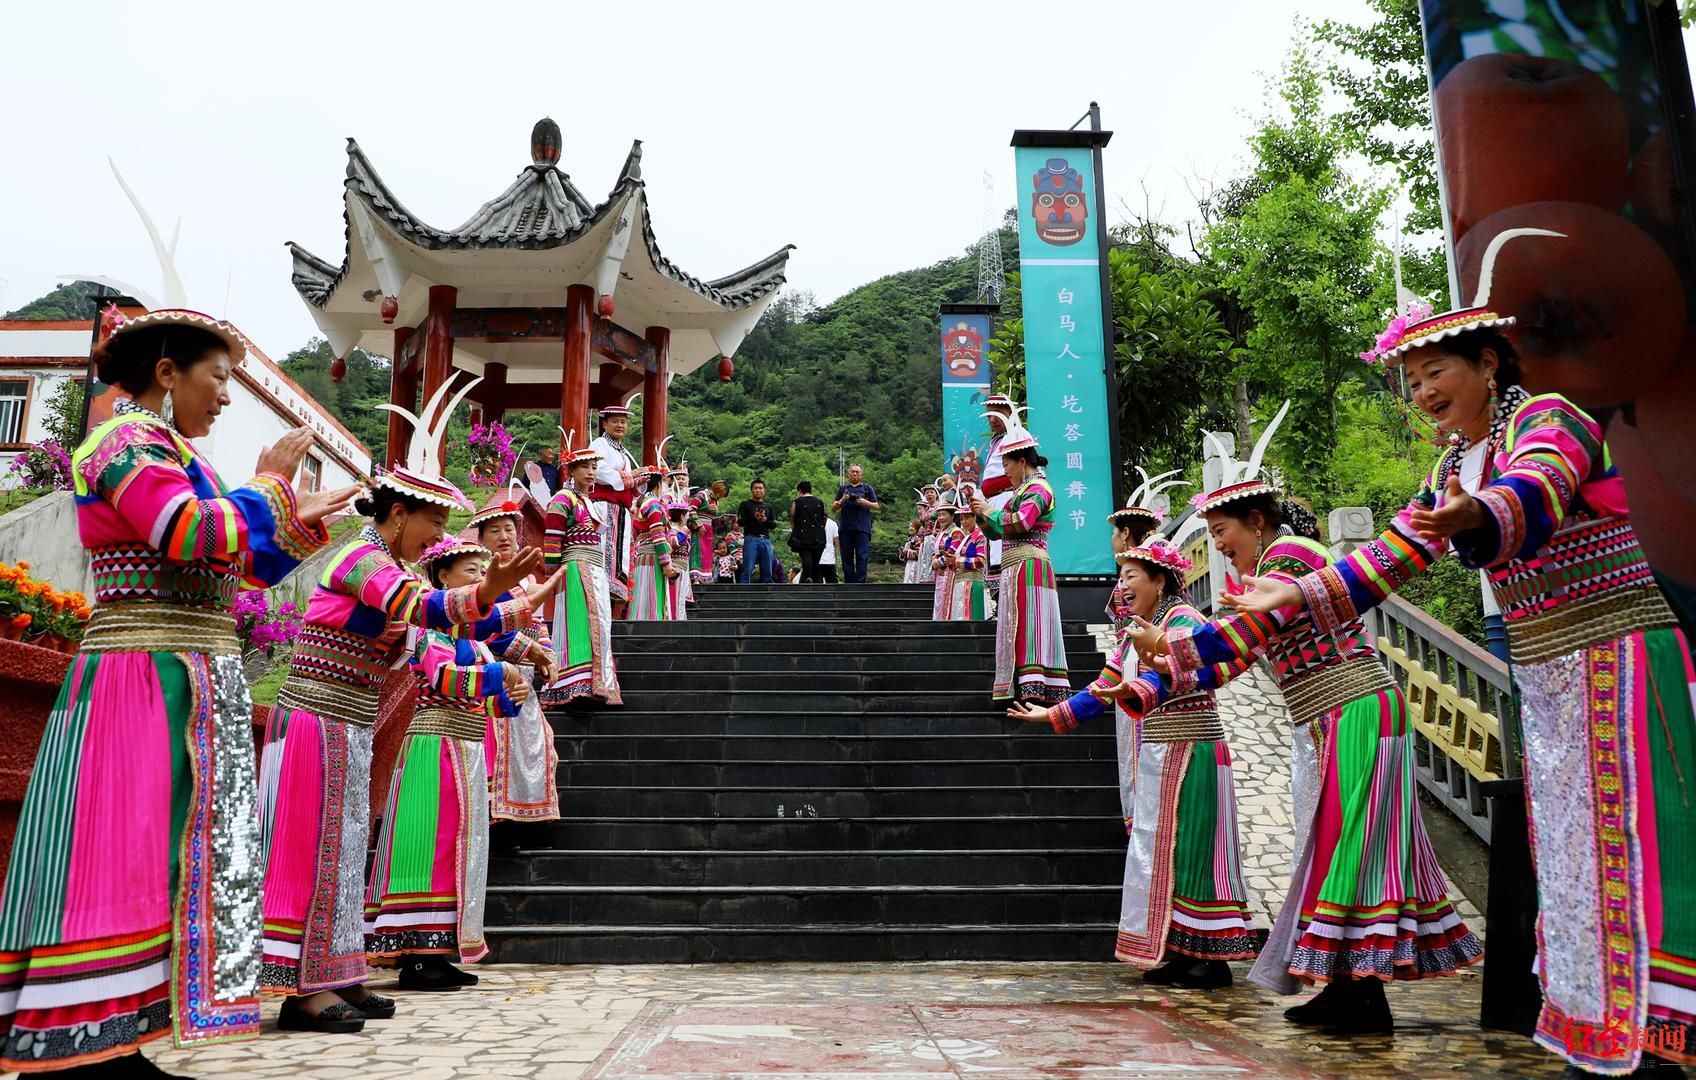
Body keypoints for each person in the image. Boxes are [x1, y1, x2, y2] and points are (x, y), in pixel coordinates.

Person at [1215, 258, 1696, 1075]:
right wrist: (1288, 601)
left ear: (1488, 363)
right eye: (1410, 380)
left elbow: (1538, 485)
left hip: (1617, 653)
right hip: (1550, 682)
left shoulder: (1552, 418)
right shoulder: (1446, 473)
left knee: (1642, 841)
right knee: (1574, 855)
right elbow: (1381, 562)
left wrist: (1486, 510)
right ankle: (1604, 1030)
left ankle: (1657, 1031)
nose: (1423, 391)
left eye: (1435, 369)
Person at [0, 310, 357, 1076]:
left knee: (164, 858)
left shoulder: (170, 453)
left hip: (186, 668)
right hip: (144, 672)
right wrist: (269, 486)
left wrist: (296, 521)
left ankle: (119, 1036)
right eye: (220, 376)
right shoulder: (122, 441)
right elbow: (187, 533)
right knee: (121, 849)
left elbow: (234, 569)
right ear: (167, 374)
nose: (226, 395)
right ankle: (82, 1044)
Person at [1118, 400, 1482, 1036]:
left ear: (1256, 522)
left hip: (1354, 708)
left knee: (1352, 847)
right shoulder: (1271, 571)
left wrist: (1169, 650)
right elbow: (1233, 660)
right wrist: (1160, 674)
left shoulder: (1290, 556)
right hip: (1328, 716)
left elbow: (1247, 632)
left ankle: (1361, 993)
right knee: (1335, 846)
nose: (1222, 550)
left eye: (1224, 535)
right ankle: (1349, 988)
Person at [256, 384, 554, 1035]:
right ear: (398, 516)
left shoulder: (390, 569)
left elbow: (429, 655)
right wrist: (497, 599)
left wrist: (503, 632)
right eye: (435, 526)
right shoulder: (364, 561)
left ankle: (337, 972)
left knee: (344, 846)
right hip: (316, 720)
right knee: (317, 849)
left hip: (347, 727)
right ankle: (303, 989)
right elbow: (425, 617)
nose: (438, 538)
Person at [1011, 540, 1260, 987]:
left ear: (1160, 581)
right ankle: (1184, 953)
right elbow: (1106, 683)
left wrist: (1143, 687)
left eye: (1131, 576)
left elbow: (1222, 666)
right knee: (1167, 851)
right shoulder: (1137, 633)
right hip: (1162, 749)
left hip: (1193, 746)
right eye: (1120, 577)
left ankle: (1211, 958)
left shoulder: (1183, 620)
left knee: (1194, 849)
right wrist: (1052, 713)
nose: (1121, 586)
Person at [364, 539, 527, 991]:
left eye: (482, 571)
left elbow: (481, 701)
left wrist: (510, 698)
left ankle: (438, 948)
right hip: (433, 747)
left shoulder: (475, 643)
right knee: (429, 843)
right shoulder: (431, 634)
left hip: (466, 746)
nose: (479, 578)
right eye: (471, 570)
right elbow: (444, 679)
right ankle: (418, 953)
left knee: (459, 847)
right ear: (442, 579)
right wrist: (503, 676)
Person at [970, 405, 1069, 704]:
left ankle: (1035, 688)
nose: (1005, 472)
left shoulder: (1039, 488)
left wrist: (990, 512)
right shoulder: (1022, 490)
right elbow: (1000, 531)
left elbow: (1023, 522)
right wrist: (984, 518)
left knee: (1030, 625)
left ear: (1021, 461)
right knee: (1019, 624)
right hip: (1018, 567)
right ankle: (1023, 686)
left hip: (1030, 565)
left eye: (1007, 465)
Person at [540, 434, 623, 710]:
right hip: (575, 567)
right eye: (585, 467)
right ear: (571, 470)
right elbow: (552, 538)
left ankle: (595, 684)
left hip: (595, 568)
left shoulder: (588, 501)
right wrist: (554, 574)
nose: (591, 472)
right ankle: (574, 683)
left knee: (598, 623)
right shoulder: (563, 498)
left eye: (593, 467)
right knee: (578, 622)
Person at [589, 404, 639, 616]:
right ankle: (601, 589)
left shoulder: (623, 451)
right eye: (615, 421)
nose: (620, 425)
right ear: (604, 424)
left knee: (618, 553)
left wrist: (637, 478)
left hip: (620, 509)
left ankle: (613, 592)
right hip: (604, 505)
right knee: (603, 549)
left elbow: (627, 480)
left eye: (623, 421)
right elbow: (596, 469)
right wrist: (623, 478)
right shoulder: (600, 443)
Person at [628, 465, 680, 618]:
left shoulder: (639, 505)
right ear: (658, 484)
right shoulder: (654, 504)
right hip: (653, 556)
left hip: (640, 556)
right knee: (653, 601)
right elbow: (657, 535)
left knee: (640, 601)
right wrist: (666, 563)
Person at [978, 391, 1017, 570]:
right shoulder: (997, 439)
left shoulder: (1017, 437)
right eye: (990, 415)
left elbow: (1029, 470)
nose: (992, 419)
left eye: (997, 413)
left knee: (1005, 555)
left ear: (1009, 412)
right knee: (995, 553)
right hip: (993, 503)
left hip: (1007, 499)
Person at [832, 464, 880, 583]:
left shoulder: (868, 489)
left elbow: (877, 506)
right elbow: (833, 508)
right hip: (845, 528)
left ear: (861, 474)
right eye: (853, 471)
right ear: (848, 473)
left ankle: (860, 582)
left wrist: (864, 501)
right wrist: (842, 500)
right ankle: (849, 581)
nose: (855, 474)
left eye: (857, 472)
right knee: (846, 556)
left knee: (862, 555)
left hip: (862, 528)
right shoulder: (843, 489)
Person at [950, 500, 988, 620]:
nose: (964, 522)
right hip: (960, 583)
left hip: (972, 583)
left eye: (967, 518)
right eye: (961, 519)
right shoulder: (966, 538)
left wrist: (956, 561)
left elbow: (981, 561)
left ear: (975, 518)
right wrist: (950, 562)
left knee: (971, 617)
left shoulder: (980, 536)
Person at [737, 479, 778, 584]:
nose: (758, 490)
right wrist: (753, 517)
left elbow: (773, 525)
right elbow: (740, 522)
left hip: (766, 539)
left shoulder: (768, 506)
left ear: (764, 490)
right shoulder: (745, 504)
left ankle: (766, 597)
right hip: (751, 538)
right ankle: (743, 594)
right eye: (755, 488)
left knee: (767, 570)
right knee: (747, 568)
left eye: (760, 488)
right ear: (751, 490)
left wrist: (764, 520)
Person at [789, 480, 828, 583]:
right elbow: (824, 518)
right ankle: (817, 587)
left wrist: (795, 531)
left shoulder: (796, 502)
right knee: (816, 564)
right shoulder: (820, 502)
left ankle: (803, 585)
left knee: (807, 563)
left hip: (802, 538)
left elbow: (792, 519)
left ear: (800, 490)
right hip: (818, 538)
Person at [930, 502, 960, 620]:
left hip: (951, 573)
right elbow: (934, 552)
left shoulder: (956, 532)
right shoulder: (940, 534)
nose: (941, 518)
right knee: (940, 601)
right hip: (940, 574)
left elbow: (952, 552)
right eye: (939, 515)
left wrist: (937, 563)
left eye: (944, 515)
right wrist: (934, 563)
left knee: (948, 600)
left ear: (952, 516)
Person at [819, 513, 840, 585]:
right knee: (832, 586)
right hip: (829, 560)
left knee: (817, 585)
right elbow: (837, 542)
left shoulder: (812, 522)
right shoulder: (833, 524)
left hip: (816, 559)